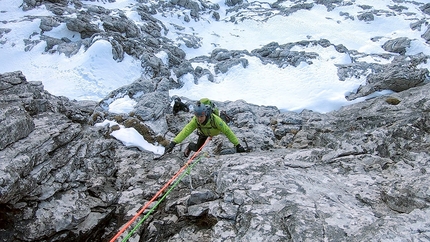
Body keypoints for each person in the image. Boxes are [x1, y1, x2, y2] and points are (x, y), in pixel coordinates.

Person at [166, 100, 246, 157]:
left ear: (206, 114)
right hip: (203, 133)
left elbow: (227, 131)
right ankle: (190, 146)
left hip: (216, 131)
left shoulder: (215, 120)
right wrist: (174, 142)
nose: (199, 119)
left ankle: (223, 115)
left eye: (201, 116)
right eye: (197, 116)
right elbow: (186, 131)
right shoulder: (195, 121)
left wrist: (237, 145)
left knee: (224, 124)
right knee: (198, 149)